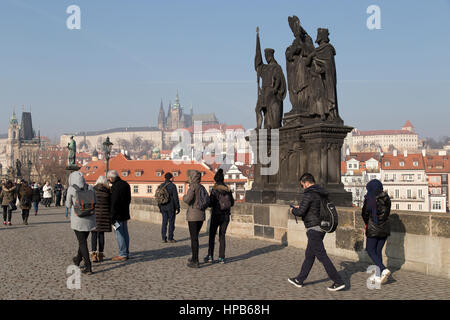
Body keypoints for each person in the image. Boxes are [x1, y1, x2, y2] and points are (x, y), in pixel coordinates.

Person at [288, 173, 345, 292]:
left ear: (306, 183)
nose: (302, 187)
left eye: (302, 185)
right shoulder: (321, 192)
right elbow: (315, 208)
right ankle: (299, 279)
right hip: (322, 227)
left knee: (322, 256)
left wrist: (293, 210)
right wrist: (301, 207)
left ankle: (338, 281)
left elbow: (300, 213)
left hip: (313, 228)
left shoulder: (309, 193)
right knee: (309, 255)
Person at [362, 179, 392, 285]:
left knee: (370, 250)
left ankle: (383, 269)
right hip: (385, 228)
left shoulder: (370, 197)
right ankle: (379, 275)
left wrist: (369, 223)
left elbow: (365, 213)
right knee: (378, 250)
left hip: (373, 228)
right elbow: (387, 213)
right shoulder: (386, 197)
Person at [66, 171, 96, 275]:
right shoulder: (90, 188)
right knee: (82, 241)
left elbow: (68, 204)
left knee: (82, 242)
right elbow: (95, 201)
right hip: (90, 219)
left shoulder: (71, 189)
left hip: (78, 220)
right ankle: (77, 260)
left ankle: (88, 267)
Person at [204, 169, 234, 264]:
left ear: (216, 180)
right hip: (225, 216)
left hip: (216, 215)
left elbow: (210, 203)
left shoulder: (215, 189)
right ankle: (221, 257)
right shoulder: (228, 189)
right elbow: (232, 203)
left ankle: (210, 256)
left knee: (212, 236)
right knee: (222, 236)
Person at [183, 170, 207, 268]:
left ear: (192, 177)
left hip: (193, 215)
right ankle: (194, 257)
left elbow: (187, 199)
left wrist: (184, 196)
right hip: (201, 215)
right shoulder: (202, 187)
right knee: (195, 237)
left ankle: (195, 260)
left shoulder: (192, 187)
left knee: (194, 239)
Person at [107, 170, 131, 262]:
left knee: (119, 233)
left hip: (117, 215)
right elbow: (129, 200)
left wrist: (112, 215)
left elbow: (114, 202)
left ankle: (122, 254)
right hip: (125, 213)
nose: (109, 181)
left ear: (111, 178)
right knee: (125, 233)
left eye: (109, 179)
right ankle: (126, 252)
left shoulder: (115, 187)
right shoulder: (126, 184)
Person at [90, 175, 112, 263]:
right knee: (101, 235)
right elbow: (111, 204)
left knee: (94, 235)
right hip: (104, 216)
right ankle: (101, 255)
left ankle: (93, 255)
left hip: (94, 215)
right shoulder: (108, 191)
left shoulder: (92, 190)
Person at [158, 172, 180, 243]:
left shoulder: (161, 185)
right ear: (170, 178)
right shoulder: (172, 186)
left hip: (163, 207)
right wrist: (178, 207)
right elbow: (175, 198)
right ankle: (170, 238)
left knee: (164, 222)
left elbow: (158, 197)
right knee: (171, 222)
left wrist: (160, 207)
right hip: (171, 207)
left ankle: (163, 238)